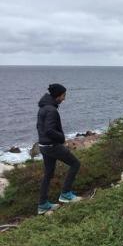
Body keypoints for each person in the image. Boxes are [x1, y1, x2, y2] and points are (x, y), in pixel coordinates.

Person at [37, 84, 82, 215]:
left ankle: (43, 204)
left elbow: (40, 128)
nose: (64, 98)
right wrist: (62, 138)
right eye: (63, 96)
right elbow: (49, 130)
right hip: (52, 146)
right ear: (57, 95)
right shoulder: (51, 110)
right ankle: (66, 194)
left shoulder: (43, 108)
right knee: (75, 164)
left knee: (48, 174)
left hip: (44, 146)